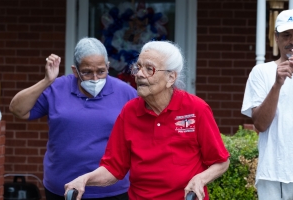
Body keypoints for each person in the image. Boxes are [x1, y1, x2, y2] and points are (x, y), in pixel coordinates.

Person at [64, 40, 230, 200]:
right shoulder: (129, 112)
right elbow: (113, 169)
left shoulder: (196, 109)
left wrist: (200, 179)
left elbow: (221, 162)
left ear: (171, 78)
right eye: (138, 67)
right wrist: (84, 179)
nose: (139, 74)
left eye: (149, 69)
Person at [9, 37, 137, 200]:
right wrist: (47, 81)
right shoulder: (56, 88)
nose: (96, 78)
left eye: (101, 71)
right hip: (62, 190)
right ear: (75, 71)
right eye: (87, 72)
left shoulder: (126, 93)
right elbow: (17, 110)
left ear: (108, 67)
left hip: (112, 190)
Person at [241, 9, 293, 200]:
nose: (291, 41)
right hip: (273, 173)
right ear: (276, 38)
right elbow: (260, 124)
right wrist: (277, 84)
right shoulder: (261, 72)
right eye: (286, 35)